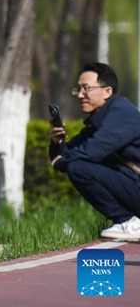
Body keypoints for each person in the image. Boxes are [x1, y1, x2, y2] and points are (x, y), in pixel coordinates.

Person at [49, 62, 140, 240]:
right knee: (77, 166)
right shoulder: (97, 122)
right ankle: (129, 221)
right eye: (78, 89)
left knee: (78, 168)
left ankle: (129, 221)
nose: (80, 95)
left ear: (107, 91)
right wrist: (57, 142)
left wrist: (61, 161)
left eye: (86, 88)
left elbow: (95, 149)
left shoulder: (123, 114)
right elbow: (65, 156)